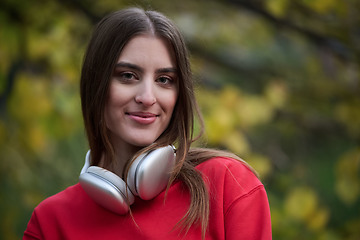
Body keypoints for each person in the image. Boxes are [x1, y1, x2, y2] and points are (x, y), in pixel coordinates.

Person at [23, 7, 271, 240]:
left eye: (164, 80)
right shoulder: (49, 222)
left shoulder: (229, 184)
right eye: (128, 76)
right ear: (96, 86)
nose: (147, 98)